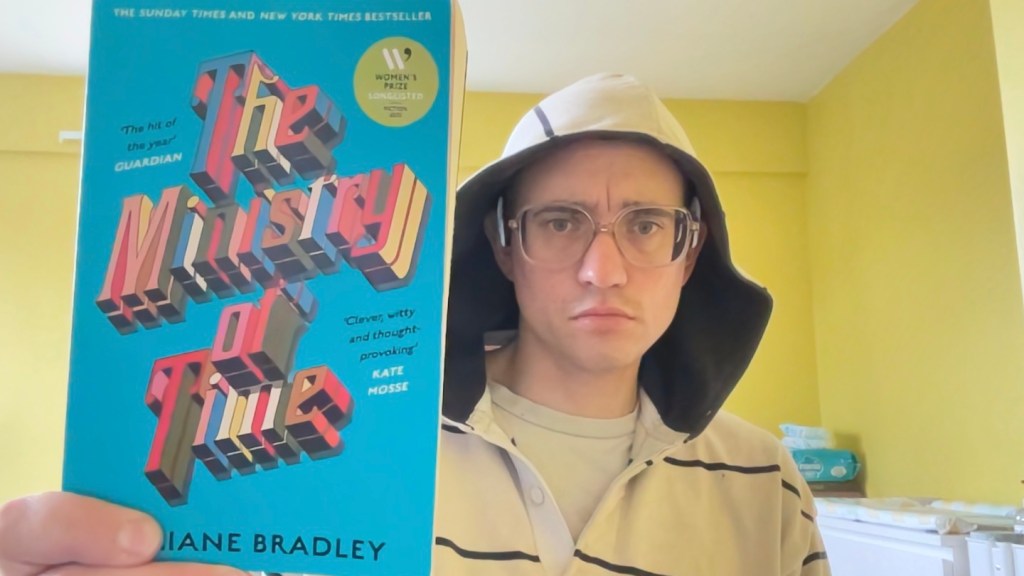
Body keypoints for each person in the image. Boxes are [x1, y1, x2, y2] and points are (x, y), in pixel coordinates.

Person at [0, 73, 829, 576]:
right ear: (502, 247)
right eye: (560, 222)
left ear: (690, 253)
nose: (602, 269)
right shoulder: (358, 438)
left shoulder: (766, 485)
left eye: (646, 225)